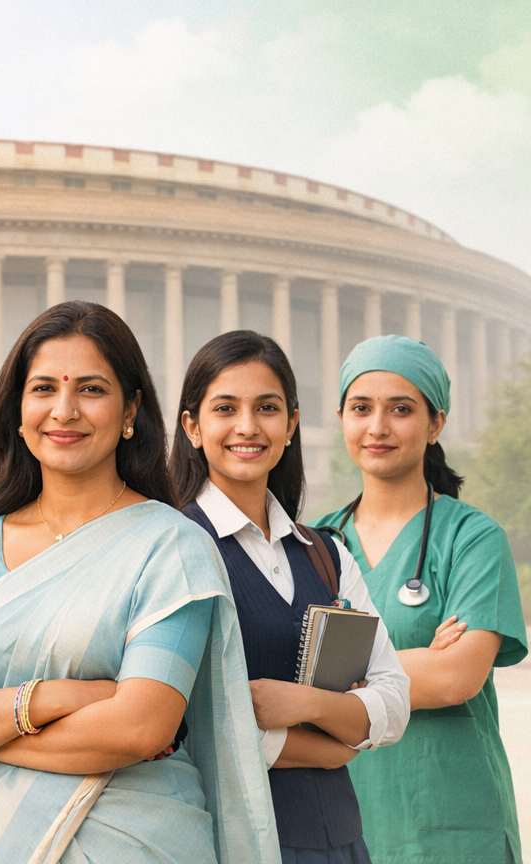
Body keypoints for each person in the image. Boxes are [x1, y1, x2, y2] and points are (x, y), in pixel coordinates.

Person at [0, 300, 281, 864]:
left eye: (91, 390)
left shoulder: (172, 546)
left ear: (130, 410)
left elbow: (139, 728)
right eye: (43, 389)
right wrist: (50, 699)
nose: (64, 410)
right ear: (18, 411)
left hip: (136, 842)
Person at [170, 330, 410, 864]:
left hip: (340, 840)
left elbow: (394, 703)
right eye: (225, 408)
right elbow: (183, 728)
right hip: (226, 843)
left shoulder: (326, 554)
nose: (248, 427)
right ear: (192, 426)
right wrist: (336, 743)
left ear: (292, 424)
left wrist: (307, 705)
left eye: (268, 408)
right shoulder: (171, 549)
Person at [312, 335, 527, 864]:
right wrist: (417, 663)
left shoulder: (472, 538)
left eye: (401, 409)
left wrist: (338, 676)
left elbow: (456, 679)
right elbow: (286, 683)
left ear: (435, 424)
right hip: (342, 815)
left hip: (451, 822)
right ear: (341, 417)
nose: (378, 427)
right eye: (361, 408)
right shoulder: (315, 545)